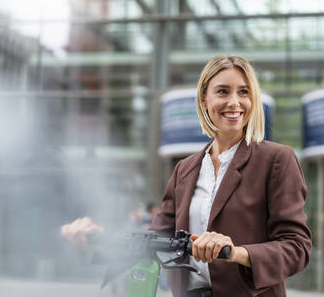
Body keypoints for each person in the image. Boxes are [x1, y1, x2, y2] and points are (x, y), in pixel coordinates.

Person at [62, 54, 311, 297]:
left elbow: (296, 247)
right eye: (223, 91)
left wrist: (234, 252)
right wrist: (97, 240)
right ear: (204, 100)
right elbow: (157, 239)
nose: (234, 102)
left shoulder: (276, 159)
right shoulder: (185, 169)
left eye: (244, 92)